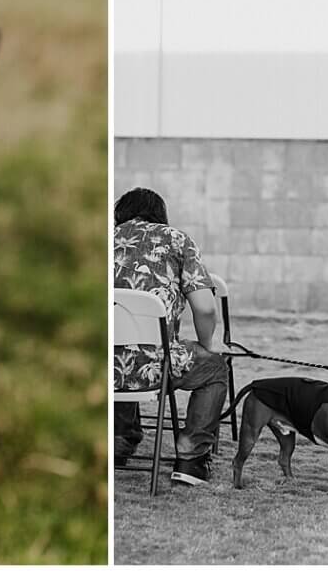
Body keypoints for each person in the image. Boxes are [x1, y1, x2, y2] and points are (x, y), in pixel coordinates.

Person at [114, 185, 229, 486]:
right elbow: (204, 308)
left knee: (119, 349)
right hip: (154, 366)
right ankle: (191, 458)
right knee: (216, 367)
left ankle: (119, 440)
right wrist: (208, 345)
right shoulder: (177, 241)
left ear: (120, 216)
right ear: (160, 216)